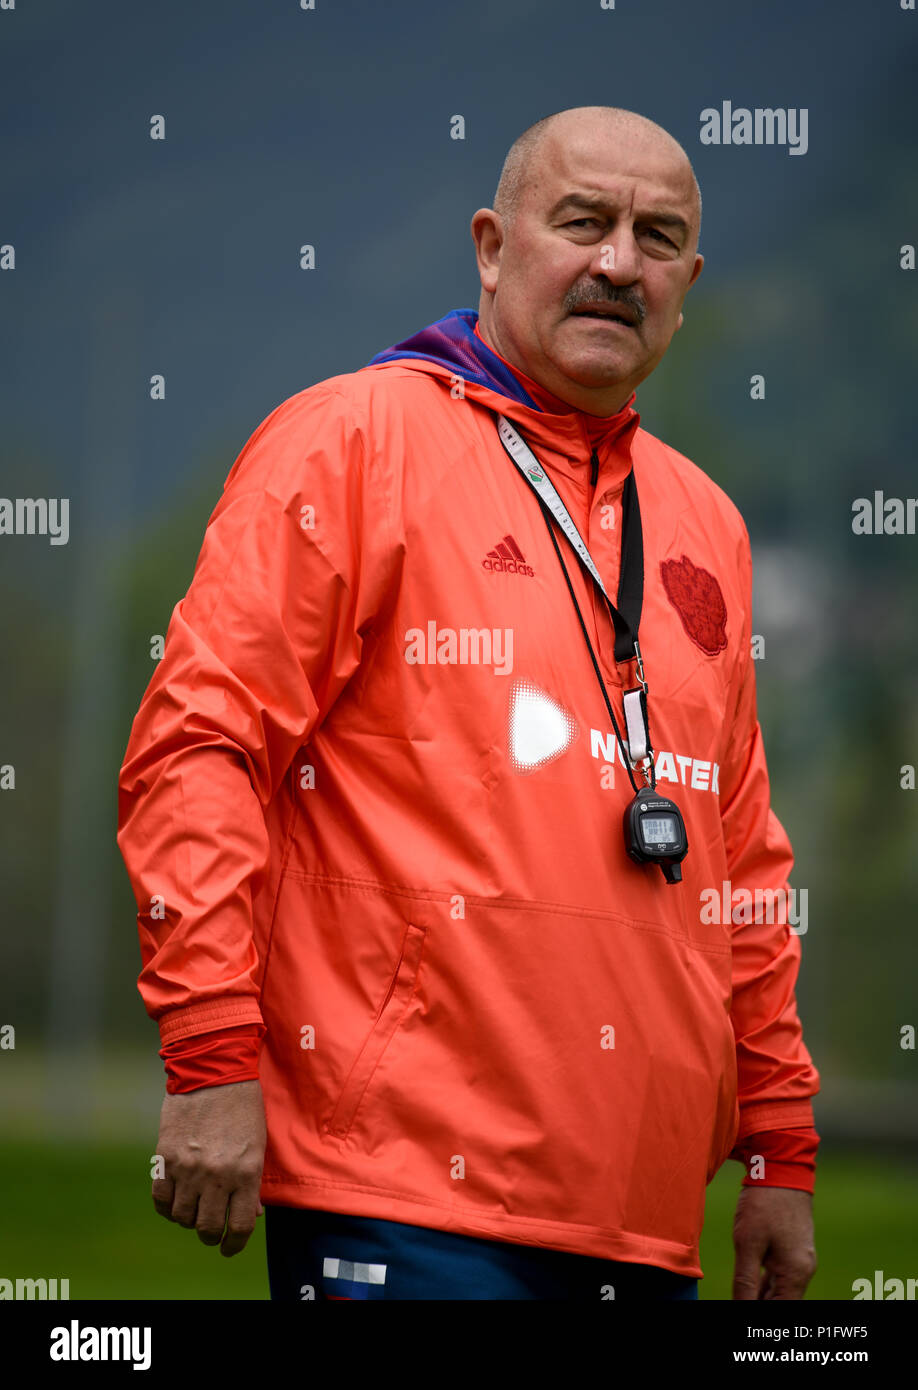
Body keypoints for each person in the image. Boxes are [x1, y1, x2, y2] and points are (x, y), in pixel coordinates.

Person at [116, 105, 820, 1301]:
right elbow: (200, 750)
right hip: (397, 1197)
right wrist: (212, 1054)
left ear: (688, 282)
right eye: (583, 222)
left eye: (658, 239)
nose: (617, 264)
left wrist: (779, 1146)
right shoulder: (350, 441)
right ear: (493, 247)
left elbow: (740, 862)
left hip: (643, 1223)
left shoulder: (706, 520)